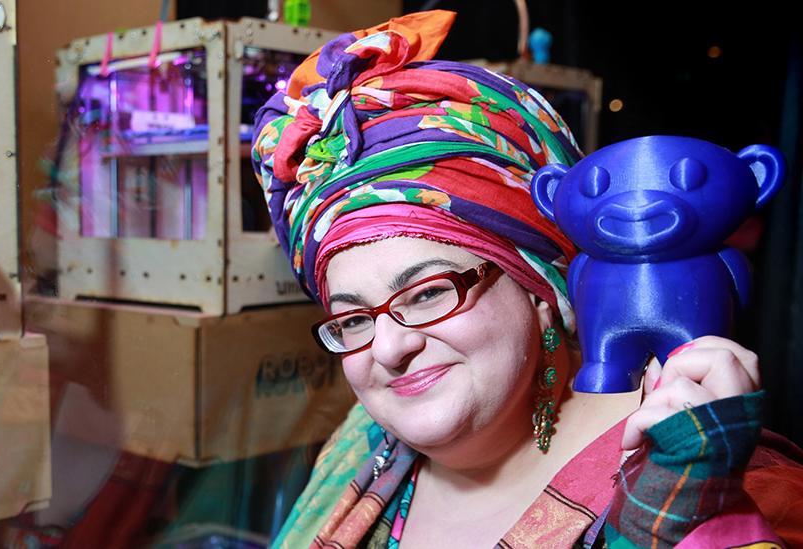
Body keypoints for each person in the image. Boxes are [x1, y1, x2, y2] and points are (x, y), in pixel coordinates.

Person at [252, 10, 803, 548]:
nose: (390, 348)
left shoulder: (713, 480)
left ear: (539, 289)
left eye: (428, 293)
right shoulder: (362, 444)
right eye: (353, 319)